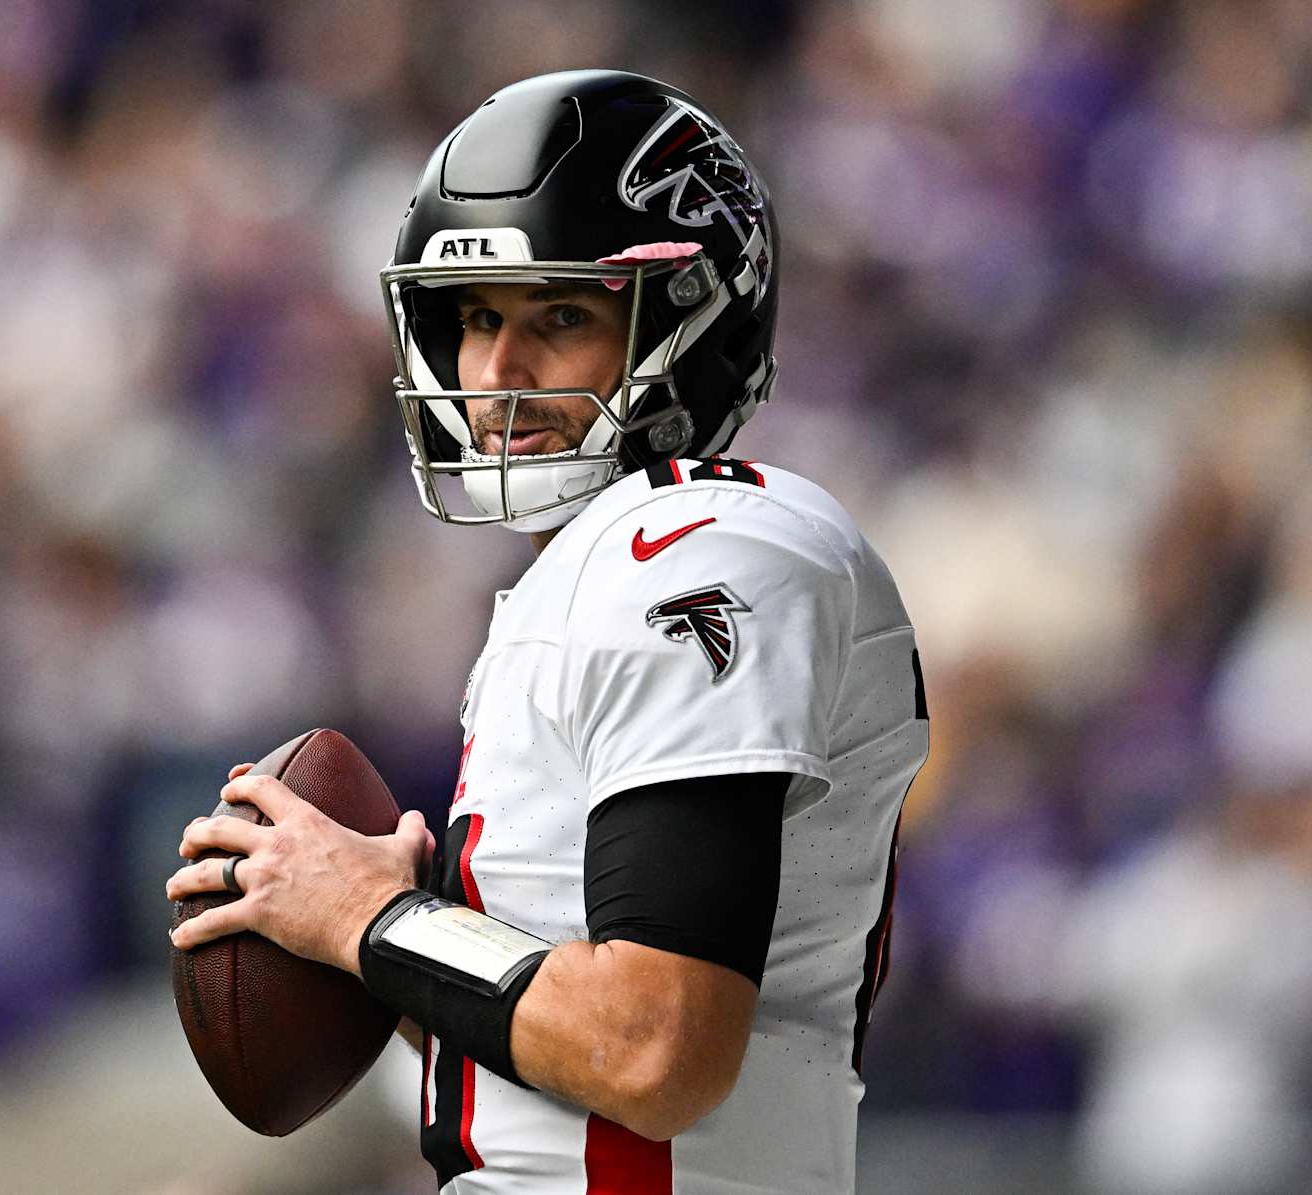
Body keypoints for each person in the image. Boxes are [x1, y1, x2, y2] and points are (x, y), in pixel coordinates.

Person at [166, 69, 930, 1193]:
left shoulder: (702, 544)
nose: (496, 371)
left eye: (559, 315)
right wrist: (378, 934)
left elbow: (658, 1048)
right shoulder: (593, 573)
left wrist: (371, 915)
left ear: (690, 321)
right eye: (476, 319)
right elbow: (562, 1060)